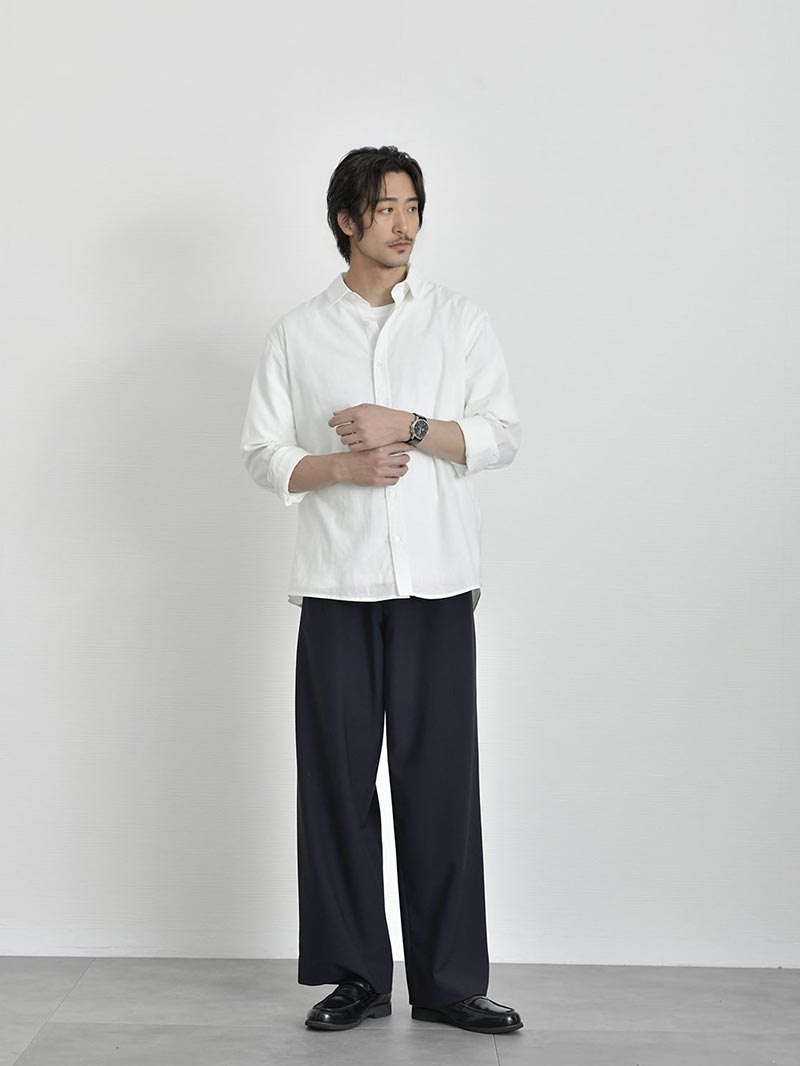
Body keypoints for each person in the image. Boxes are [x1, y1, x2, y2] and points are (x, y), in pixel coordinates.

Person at [240, 145, 523, 1036]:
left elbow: (500, 435)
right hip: (336, 587)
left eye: (412, 207)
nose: (404, 224)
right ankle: (356, 976)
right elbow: (262, 455)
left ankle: (448, 984)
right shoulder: (297, 333)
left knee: (440, 785)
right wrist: (341, 466)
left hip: (438, 585)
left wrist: (408, 425)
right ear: (346, 219)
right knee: (335, 785)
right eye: (386, 207)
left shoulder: (458, 321)